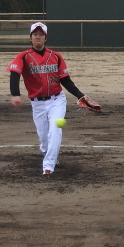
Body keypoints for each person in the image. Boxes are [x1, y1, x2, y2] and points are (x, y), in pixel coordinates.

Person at [7, 22, 96, 175]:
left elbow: (65, 80)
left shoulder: (56, 56)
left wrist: (80, 95)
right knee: (44, 138)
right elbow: (15, 74)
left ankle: (48, 166)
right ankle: (48, 153)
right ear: (30, 37)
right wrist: (15, 94)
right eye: (35, 34)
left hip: (57, 100)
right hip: (37, 103)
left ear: (45, 38)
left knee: (55, 129)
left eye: (41, 35)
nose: (38, 37)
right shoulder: (24, 56)